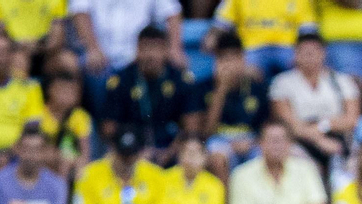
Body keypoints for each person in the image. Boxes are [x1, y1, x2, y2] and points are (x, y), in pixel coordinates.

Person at [101, 25, 203, 165]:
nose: (150, 55)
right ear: (137, 50)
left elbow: (191, 128)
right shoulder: (121, 81)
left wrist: (167, 155)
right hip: (130, 151)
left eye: (156, 48)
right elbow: (109, 128)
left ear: (166, 51)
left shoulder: (181, 81)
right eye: (145, 48)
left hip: (172, 152)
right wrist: (133, 152)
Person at [268, 31, 361, 179]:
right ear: (295, 54)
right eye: (304, 52)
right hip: (299, 140)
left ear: (323, 53)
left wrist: (323, 126)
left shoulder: (342, 81)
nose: (309, 57)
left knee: (353, 163)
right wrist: (319, 140)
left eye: (313, 52)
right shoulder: (282, 83)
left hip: (337, 138)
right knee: (303, 165)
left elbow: (351, 119)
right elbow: (287, 123)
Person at [228, 120, 327, 204]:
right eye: (272, 140)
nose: (277, 146)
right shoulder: (242, 175)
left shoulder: (305, 170)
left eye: (281, 140)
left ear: (290, 144)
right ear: (260, 144)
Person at [71, 0, 186, 114]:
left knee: (164, 70)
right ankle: (100, 121)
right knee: (87, 70)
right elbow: (79, 11)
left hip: (137, 59)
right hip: (101, 59)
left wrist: (175, 48)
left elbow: (172, 11)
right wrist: (92, 48)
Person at [200, 31, 268, 183]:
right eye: (223, 59)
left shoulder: (257, 86)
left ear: (243, 60)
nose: (229, 65)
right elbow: (206, 133)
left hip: (251, 140)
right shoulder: (204, 87)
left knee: (264, 154)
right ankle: (226, 199)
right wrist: (221, 89)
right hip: (219, 140)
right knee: (218, 158)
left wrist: (252, 143)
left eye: (233, 58)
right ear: (216, 62)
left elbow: (266, 126)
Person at [209, 0, 316, 79]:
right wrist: (212, 37)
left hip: (288, 47)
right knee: (246, 70)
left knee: (307, 61)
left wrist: (305, 54)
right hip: (252, 47)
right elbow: (221, 22)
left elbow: (308, 29)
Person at [0, 30, 42, 153]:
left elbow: (32, 128)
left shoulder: (29, 86)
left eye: (1, 52)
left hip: (15, 155)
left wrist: (10, 152)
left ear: (11, 56)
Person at [0, 0, 69, 81]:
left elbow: (56, 39)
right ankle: (21, 89)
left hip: (46, 51)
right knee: (19, 61)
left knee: (67, 62)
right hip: (14, 50)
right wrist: (19, 46)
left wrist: (37, 47)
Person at [38, 72, 92, 180]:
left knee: (68, 163)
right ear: (50, 90)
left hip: (69, 159)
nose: (66, 95)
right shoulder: (39, 113)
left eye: (71, 92)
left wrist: (79, 165)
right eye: (62, 90)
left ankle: (64, 189)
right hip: (42, 156)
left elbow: (85, 152)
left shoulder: (80, 116)